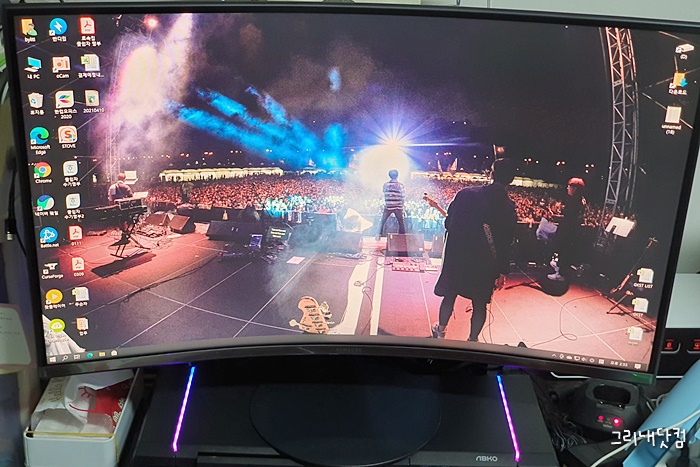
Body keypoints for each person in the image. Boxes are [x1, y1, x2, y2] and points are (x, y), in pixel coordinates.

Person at [431, 158, 517, 342]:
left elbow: (449, 224)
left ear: (491, 174)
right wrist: (503, 271)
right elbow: (506, 242)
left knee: (449, 295)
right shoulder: (508, 207)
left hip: (458, 257)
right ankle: (473, 339)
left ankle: (441, 331)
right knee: (479, 304)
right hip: (485, 263)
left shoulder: (466, 194)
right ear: (511, 180)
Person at [547, 177, 586, 282]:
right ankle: (559, 267)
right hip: (571, 230)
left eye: (569, 186)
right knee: (563, 250)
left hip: (568, 230)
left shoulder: (573, 201)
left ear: (575, 188)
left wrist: (554, 216)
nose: (567, 188)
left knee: (563, 249)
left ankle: (560, 274)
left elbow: (568, 218)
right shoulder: (581, 200)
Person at [376, 169, 406, 239]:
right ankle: (402, 237)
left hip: (388, 206)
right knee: (401, 222)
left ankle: (378, 234)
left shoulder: (386, 185)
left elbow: (384, 192)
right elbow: (403, 196)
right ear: (397, 176)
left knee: (382, 221)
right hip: (398, 206)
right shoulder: (401, 185)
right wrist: (401, 206)